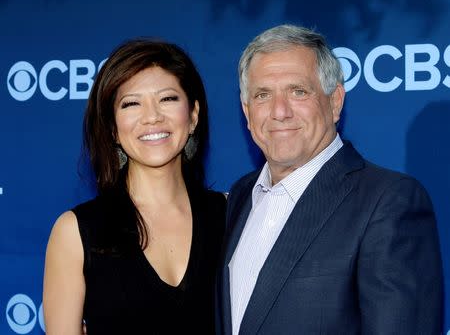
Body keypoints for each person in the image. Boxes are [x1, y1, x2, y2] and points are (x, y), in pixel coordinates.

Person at [217, 24, 443, 334]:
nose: (279, 112)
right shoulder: (240, 197)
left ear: (335, 101)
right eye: (262, 95)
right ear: (246, 110)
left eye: (298, 91)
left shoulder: (388, 202)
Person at [43, 39, 226, 334]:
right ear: (112, 129)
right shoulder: (76, 232)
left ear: (193, 116)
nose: (152, 116)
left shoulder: (232, 215)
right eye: (131, 103)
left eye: (167, 99)